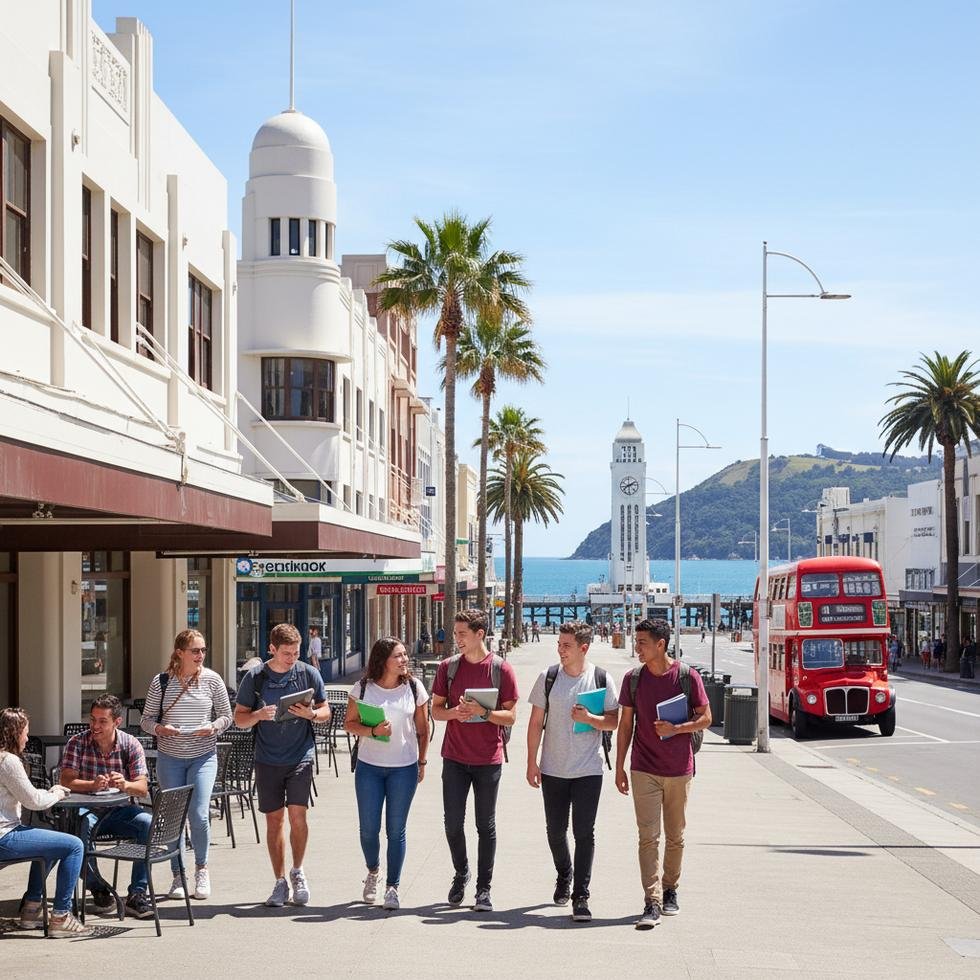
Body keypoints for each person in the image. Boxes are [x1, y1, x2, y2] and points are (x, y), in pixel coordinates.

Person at [616, 618, 710, 930]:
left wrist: (677, 728)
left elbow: (706, 717)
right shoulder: (633, 679)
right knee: (647, 837)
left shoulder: (686, 676)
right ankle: (652, 900)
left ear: (661, 644)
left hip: (679, 768)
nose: (637, 647)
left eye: (642, 642)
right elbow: (625, 725)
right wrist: (619, 766)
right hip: (644, 767)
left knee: (676, 836)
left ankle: (670, 889)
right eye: (636, 641)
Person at [526, 621, 618, 923]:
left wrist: (591, 718)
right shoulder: (548, 677)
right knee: (555, 832)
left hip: (589, 769)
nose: (560, 650)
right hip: (553, 768)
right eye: (559, 644)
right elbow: (535, 722)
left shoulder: (602, 679)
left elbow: (613, 721)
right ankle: (564, 873)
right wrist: (531, 761)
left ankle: (581, 895)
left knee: (584, 833)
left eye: (566, 645)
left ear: (583, 648)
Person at [234, 622, 329, 908]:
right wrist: (258, 715)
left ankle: (298, 872)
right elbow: (239, 719)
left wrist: (311, 714)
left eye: (296, 652)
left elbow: (326, 711)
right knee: (274, 820)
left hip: (300, 755)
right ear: (271, 649)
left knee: (298, 815)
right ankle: (279, 881)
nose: (291, 658)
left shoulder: (308, 673)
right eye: (286, 653)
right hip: (267, 758)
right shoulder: (256, 677)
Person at [430, 608, 519, 913]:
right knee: (453, 824)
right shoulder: (448, 668)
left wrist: (484, 713)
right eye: (455, 634)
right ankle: (461, 872)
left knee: (486, 825)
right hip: (454, 757)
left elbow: (511, 716)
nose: (457, 640)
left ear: (480, 634)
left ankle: (484, 889)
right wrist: (456, 712)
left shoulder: (500, 669)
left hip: (487, 759)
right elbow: (436, 710)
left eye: (462, 634)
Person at [141, 628, 232, 901]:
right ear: (180, 653)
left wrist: (213, 727)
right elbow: (146, 720)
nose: (200, 655)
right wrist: (160, 729)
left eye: (203, 650)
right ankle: (177, 875)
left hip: (203, 755)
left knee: (199, 813)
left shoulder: (212, 680)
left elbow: (227, 716)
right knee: (174, 817)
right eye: (195, 650)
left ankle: (201, 869)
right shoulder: (162, 682)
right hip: (170, 757)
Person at [344, 636, 430, 911]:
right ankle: (373, 872)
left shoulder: (415, 688)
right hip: (369, 767)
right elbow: (349, 723)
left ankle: (393, 886)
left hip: (403, 769)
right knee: (368, 829)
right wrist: (372, 732)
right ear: (383, 660)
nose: (405, 660)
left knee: (396, 831)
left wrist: (422, 762)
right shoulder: (363, 688)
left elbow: (423, 729)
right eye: (399, 655)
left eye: (405, 655)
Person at [60, 694, 154, 919]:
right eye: (92, 720)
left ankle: (137, 894)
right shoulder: (78, 742)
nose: (95, 726)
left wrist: (125, 784)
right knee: (79, 828)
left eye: (102, 721)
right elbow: (66, 780)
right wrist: (92, 784)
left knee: (148, 824)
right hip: (88, 811)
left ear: (116, 722)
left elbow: (142, 788)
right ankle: (98, 887)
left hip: (121, 811)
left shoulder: (130, 744)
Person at [0, 708, 91, 937]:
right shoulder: (7, 761)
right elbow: (34, 801)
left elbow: (24, 793)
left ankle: (31, 909)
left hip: (7, 833)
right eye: (25, 733)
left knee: (50, 839)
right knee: (73, 845)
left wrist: (47, 792)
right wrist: (57, 793)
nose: (27, 738)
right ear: (14, 733)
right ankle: (60, 916)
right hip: (4, 836)